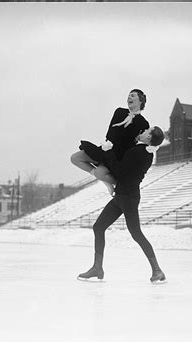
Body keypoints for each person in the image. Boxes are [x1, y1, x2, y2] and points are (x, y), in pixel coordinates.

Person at [77, 126, 167, 284]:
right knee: (99, 227)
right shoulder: (146, 153)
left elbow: (118, 171)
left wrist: (108, 151)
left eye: (147, 131)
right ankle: (97, 268)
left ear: (149, 138)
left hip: (128, 197)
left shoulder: (138, 152)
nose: (143, 130)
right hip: (123, 196)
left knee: (136, 233)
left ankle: (157, 270)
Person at [70, 89, 149, 195]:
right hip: (106, 148)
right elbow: (111, 132)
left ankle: (118, 185)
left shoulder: (143, 123)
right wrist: (106, 145)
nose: (129, 97)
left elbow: (142, 141)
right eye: (128, 95)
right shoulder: (119, 111)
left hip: (118, 156)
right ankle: (106, 182)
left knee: (99, 173)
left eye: (133, 96)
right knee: (75, 158)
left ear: (141, 101)